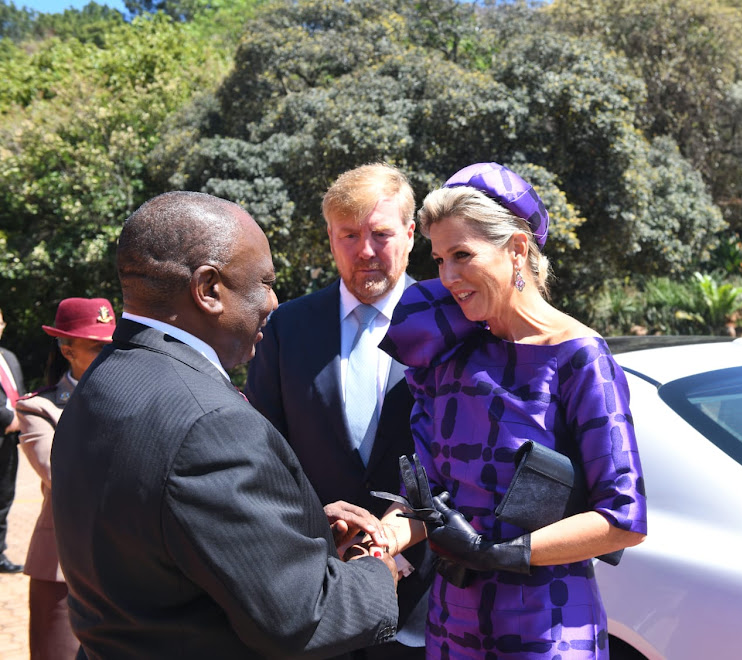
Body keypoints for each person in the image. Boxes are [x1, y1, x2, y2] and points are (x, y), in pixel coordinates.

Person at [50, 190, 401, 659]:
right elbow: (301, 618)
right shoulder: (212, 425)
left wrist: (303, 526)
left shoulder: (103, 379)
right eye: (264, 282)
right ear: (209, 289)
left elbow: (169, 530)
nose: (275, 302)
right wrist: (377, 565)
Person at [356, 162, 648, 659]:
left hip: (549, 628)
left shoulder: (580, 357)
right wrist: (379, 540)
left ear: (516, 248)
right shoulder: (450, 355)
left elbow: (622, 518)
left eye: (462, 255)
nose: (447, 277)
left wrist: (499, 554)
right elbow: (426, 499)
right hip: (453, 626)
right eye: (440, 258)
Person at [245, 163, 433, 659]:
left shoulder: (452, 322)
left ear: (411, 234)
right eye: (349, 235)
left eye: (380, 234)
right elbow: (264, 449)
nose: (365, 251)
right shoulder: (286, 326)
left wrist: (402, 532)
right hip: (313, 588)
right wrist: (315, 527)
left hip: (426, 598)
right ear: (330, 236)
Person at [16, 297, 116, 660]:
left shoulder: (134, 397)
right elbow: (61, 475)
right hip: (62, 566)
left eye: (112, 345)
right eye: (96, 347)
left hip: (131, 561)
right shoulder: (38, 407)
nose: (108, 355)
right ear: (67, 349)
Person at [0, 306, 26, 573]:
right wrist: (8, 419)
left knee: (4, 497)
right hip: (5, 428)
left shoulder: (9, 357)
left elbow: (19, 393)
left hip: (9, 443)